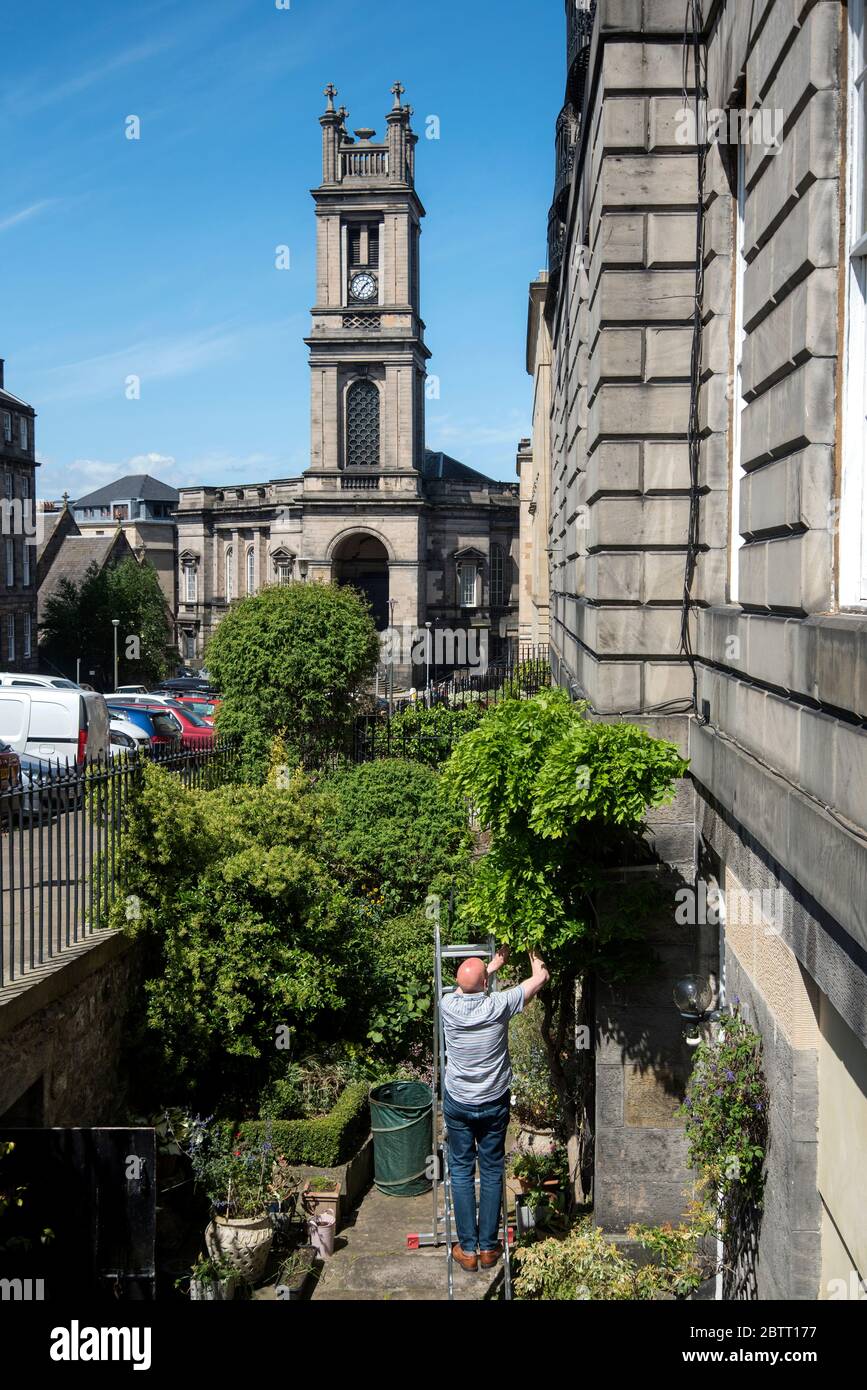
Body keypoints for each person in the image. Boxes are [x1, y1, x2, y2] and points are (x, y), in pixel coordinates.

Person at [441, 945, 550, 1271]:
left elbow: (469, 986)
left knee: (460, 1172)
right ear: (486, 986)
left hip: (459, 1103)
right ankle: (489, 1249)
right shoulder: (499, 1005)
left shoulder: (447, 1005)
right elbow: (539, 979)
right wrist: (534, 952)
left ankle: (469, 1251)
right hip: (493, 1103)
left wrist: (490, 966)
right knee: (490, 1171)